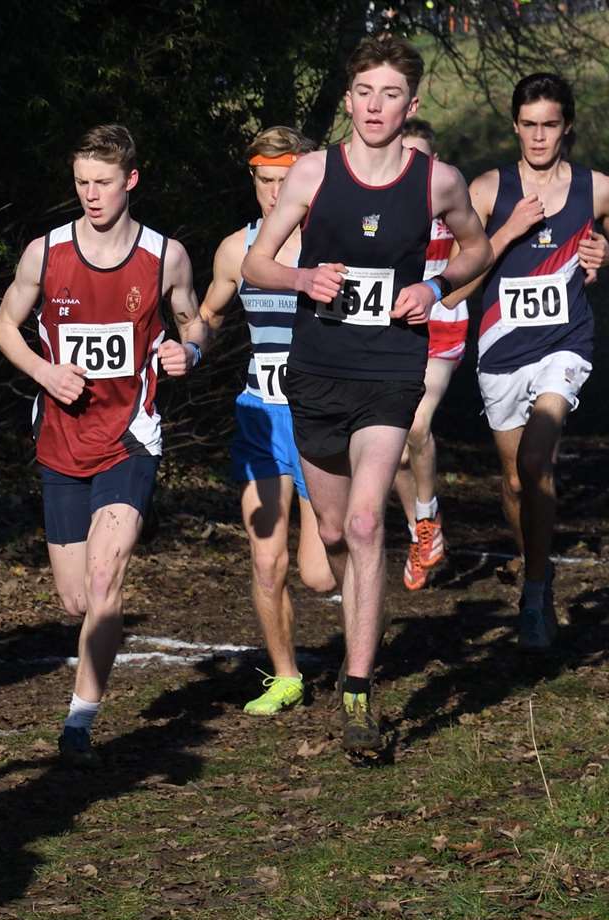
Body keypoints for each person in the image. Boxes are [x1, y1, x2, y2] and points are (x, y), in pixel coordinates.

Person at [242, 36, 492, 757]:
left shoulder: (437, 181)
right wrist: (301, 280)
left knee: (362, 524)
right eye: (365, 92)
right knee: (327, 535)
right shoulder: (313, 173)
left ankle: (358, 692)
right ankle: (357, 631)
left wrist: (435, 286)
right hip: (316, 371)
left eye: (391, 95)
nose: (376, 107)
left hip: (391, 368)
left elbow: (476, 248)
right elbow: (259, 259)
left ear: (410, 105)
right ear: (347, 98)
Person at [0, 124, 206, 767]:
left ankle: (79, 721)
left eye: (103, 183)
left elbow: (195, 323)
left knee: (108, 577)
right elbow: (3, 324)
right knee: (77, 599)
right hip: (60, 441)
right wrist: (43, 371)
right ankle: (84, 699)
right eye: (82, 182)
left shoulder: (165, 256)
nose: (91, 195)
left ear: (130, 181)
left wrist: (186, 351)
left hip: (130, 438)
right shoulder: (45, 253)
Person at [454, 72, 609, 648]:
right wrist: (507, 231)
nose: (539, 138)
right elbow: (465, 277)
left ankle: (534, 594)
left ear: (567, 127)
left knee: (537, 462)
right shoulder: (488, 190)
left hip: (564, 344)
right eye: (530, 126)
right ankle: (536, 567)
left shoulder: (598, 190)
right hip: (500, 350)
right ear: (515, 126)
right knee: (514, 482)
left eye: (550, 126)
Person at [197, 126, 335, 716]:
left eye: (287, 181)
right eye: (265, 181)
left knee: (321, 572)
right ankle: (285, 677)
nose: (276, 194)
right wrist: (191, 346)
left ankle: (357, 660)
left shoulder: (335, 244)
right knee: (266, 558)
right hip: (261, 413)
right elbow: (208, 313)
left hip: (323, 415)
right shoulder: (237, 250)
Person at [393, 118, 472, 591]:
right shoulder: (381, 204)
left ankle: (426, 515)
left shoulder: (448, 198)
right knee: (394, 452)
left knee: (417, 425)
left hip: (442, 325)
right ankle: (421, 531)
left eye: (421, 159)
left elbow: (478, 251)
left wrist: (455, 294)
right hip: (394, 328)